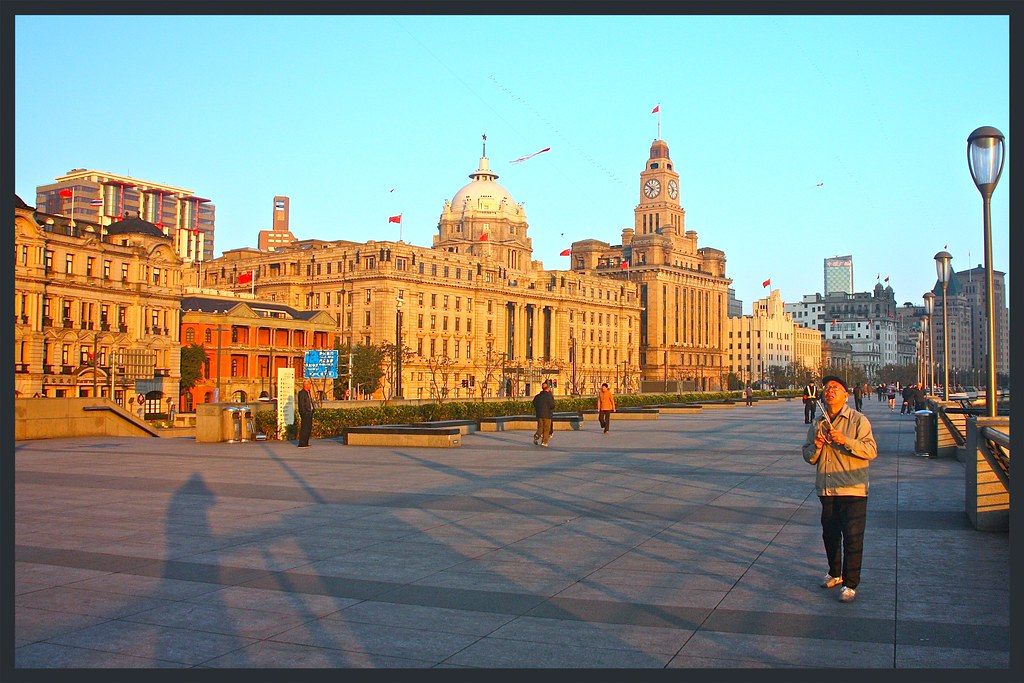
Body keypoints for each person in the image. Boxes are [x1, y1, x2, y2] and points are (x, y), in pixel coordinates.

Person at [802, 375, 878, 603]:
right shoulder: (818, 423)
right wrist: (816, 446)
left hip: (853, 488)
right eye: (826, 388)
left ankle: (850, 583)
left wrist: (845, 440)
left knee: (853, 537)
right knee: (830, 535)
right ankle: (835, 573)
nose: (829, 391)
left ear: (846, 394)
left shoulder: (858, 420)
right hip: (827, 489)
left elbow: (871, 450)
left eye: (835, 387)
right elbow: (808, 455)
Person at [532, 381, 556, 447]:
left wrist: (538, 409)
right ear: (548, 388)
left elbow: (534, 403)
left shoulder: (538, 396)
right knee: (546, 428)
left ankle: (537, 435)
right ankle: (544, 442)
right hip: (547, 415)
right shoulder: (549, 396)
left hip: (539, 414)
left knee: (540, 427)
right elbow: (552, 405)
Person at [297, 379, 315, 448]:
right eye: (309, 384)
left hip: (310, 412)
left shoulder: (308, 392)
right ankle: (302, 443)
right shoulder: (302, 393)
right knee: (304, 428)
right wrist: (303, 412)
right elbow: (301, 404)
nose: (310, 386)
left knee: (308, 428)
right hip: (305, 413)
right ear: (306, 385)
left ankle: (306, 442)